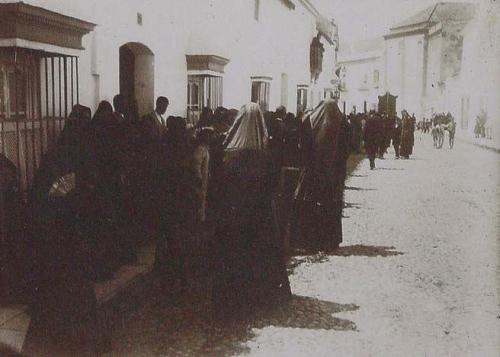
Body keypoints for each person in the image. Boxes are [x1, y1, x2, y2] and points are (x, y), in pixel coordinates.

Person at [212, 103, 291, 320]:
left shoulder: (226, 153)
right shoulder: (267, 156)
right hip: (259, 215)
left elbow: (217, 186)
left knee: (234, 257)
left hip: (233, 214)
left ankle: (232, 301)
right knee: (258, 257)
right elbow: (275, 188)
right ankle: (258, 299)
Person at [291, 99, 350, 252]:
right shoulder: (342, 123)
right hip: (334, 173)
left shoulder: (309, 122)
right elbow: (347, 148)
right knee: (332, 204)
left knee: (311, 204)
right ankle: (330, 241)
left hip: (313, 171)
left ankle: (311, 241)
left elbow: (303, 148)